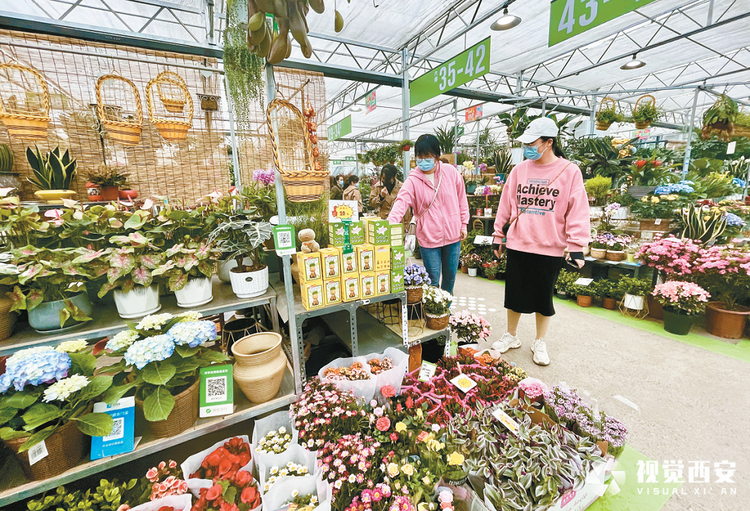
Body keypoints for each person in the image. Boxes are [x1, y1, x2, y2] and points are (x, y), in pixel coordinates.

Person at [491, 117, 590, 366]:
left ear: (549, 142)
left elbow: (577, 209)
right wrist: (497, 236)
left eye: (532, 143)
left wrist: (577, 246)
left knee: (543, 300)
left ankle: (540, 341)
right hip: (518, 243)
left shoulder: (569, 171)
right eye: (525, 144)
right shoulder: (519, 170)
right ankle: (511, 335)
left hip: (550, 247)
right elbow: (505, 205)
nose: (527, 149)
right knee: (513, 296)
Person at [388, 134, 469, 294]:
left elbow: (462, 198)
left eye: (427, 156)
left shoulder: (451, 173)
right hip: (429, 238)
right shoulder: (413, 180)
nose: (422, 160)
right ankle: (433, 315)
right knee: (432, 280)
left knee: (450, 278)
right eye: (419, 156)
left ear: (436, 156)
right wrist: (388, 225)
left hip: (453, 236)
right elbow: (401, 202)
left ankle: (445, 313)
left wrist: (464, 223)